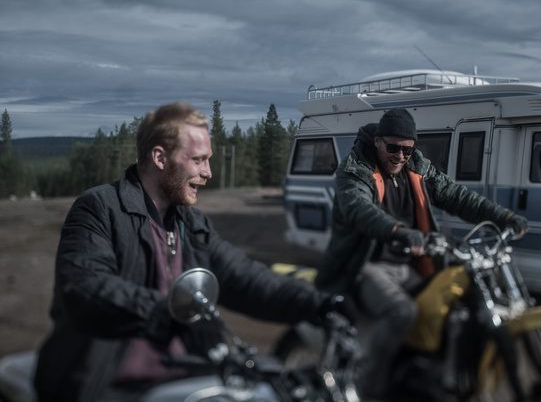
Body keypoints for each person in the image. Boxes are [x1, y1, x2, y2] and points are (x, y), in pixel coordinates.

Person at [34, 103, 352, 402]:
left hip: (190, 375)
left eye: (208, 160)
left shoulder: (192, 223)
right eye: (198, 160)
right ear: (160, 158)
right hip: (112, 383)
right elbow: (85, 287)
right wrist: (165, 312)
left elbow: (245, 277)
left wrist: (320, 304)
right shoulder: (100, 208)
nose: (208, 172)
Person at [314, 108, 528, 400]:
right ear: (377, 141)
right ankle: (369, 386)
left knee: (454, 309)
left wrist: (503, 216)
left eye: (407, 149)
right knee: (402, 312)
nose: (400, 156)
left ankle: (434, 377)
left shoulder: (417, 166)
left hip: (410, 266)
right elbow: (360, 210)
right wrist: (397, 230)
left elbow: (456, 195)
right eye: (393, 148)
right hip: (364, 266)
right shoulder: (354, 170)